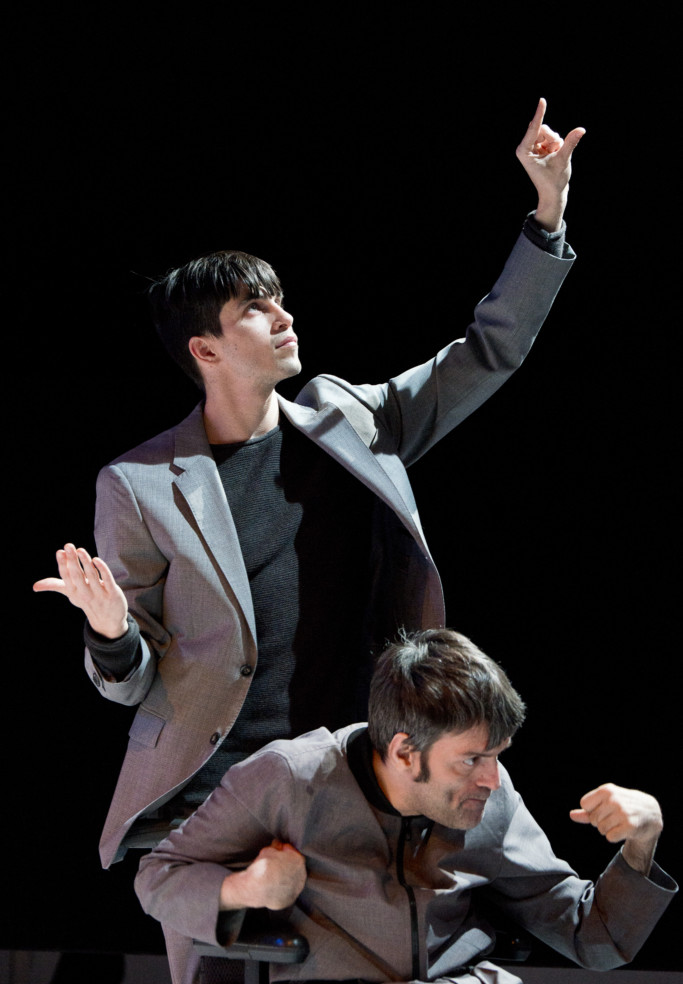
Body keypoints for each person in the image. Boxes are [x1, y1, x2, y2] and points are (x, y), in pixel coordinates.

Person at [33, 100, 583, 870]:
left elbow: (486, 353)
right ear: (206, 349)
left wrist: (546, 213)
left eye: (279, 298)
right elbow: (132, 682)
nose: (283, 316)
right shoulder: (138, 482)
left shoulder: (350, 420)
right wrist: (110, 631)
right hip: (211, 790)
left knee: (349, 978)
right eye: (254, 309)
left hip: (347, 770)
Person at [135, 628, 676, 984]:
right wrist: (243, 888)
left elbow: (595, 938)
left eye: (498, 755)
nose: (492, 778)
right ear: (404, 751)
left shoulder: (489, 793)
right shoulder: (291, 778)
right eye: (471, 759)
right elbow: (158, 875)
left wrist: (641, 845)